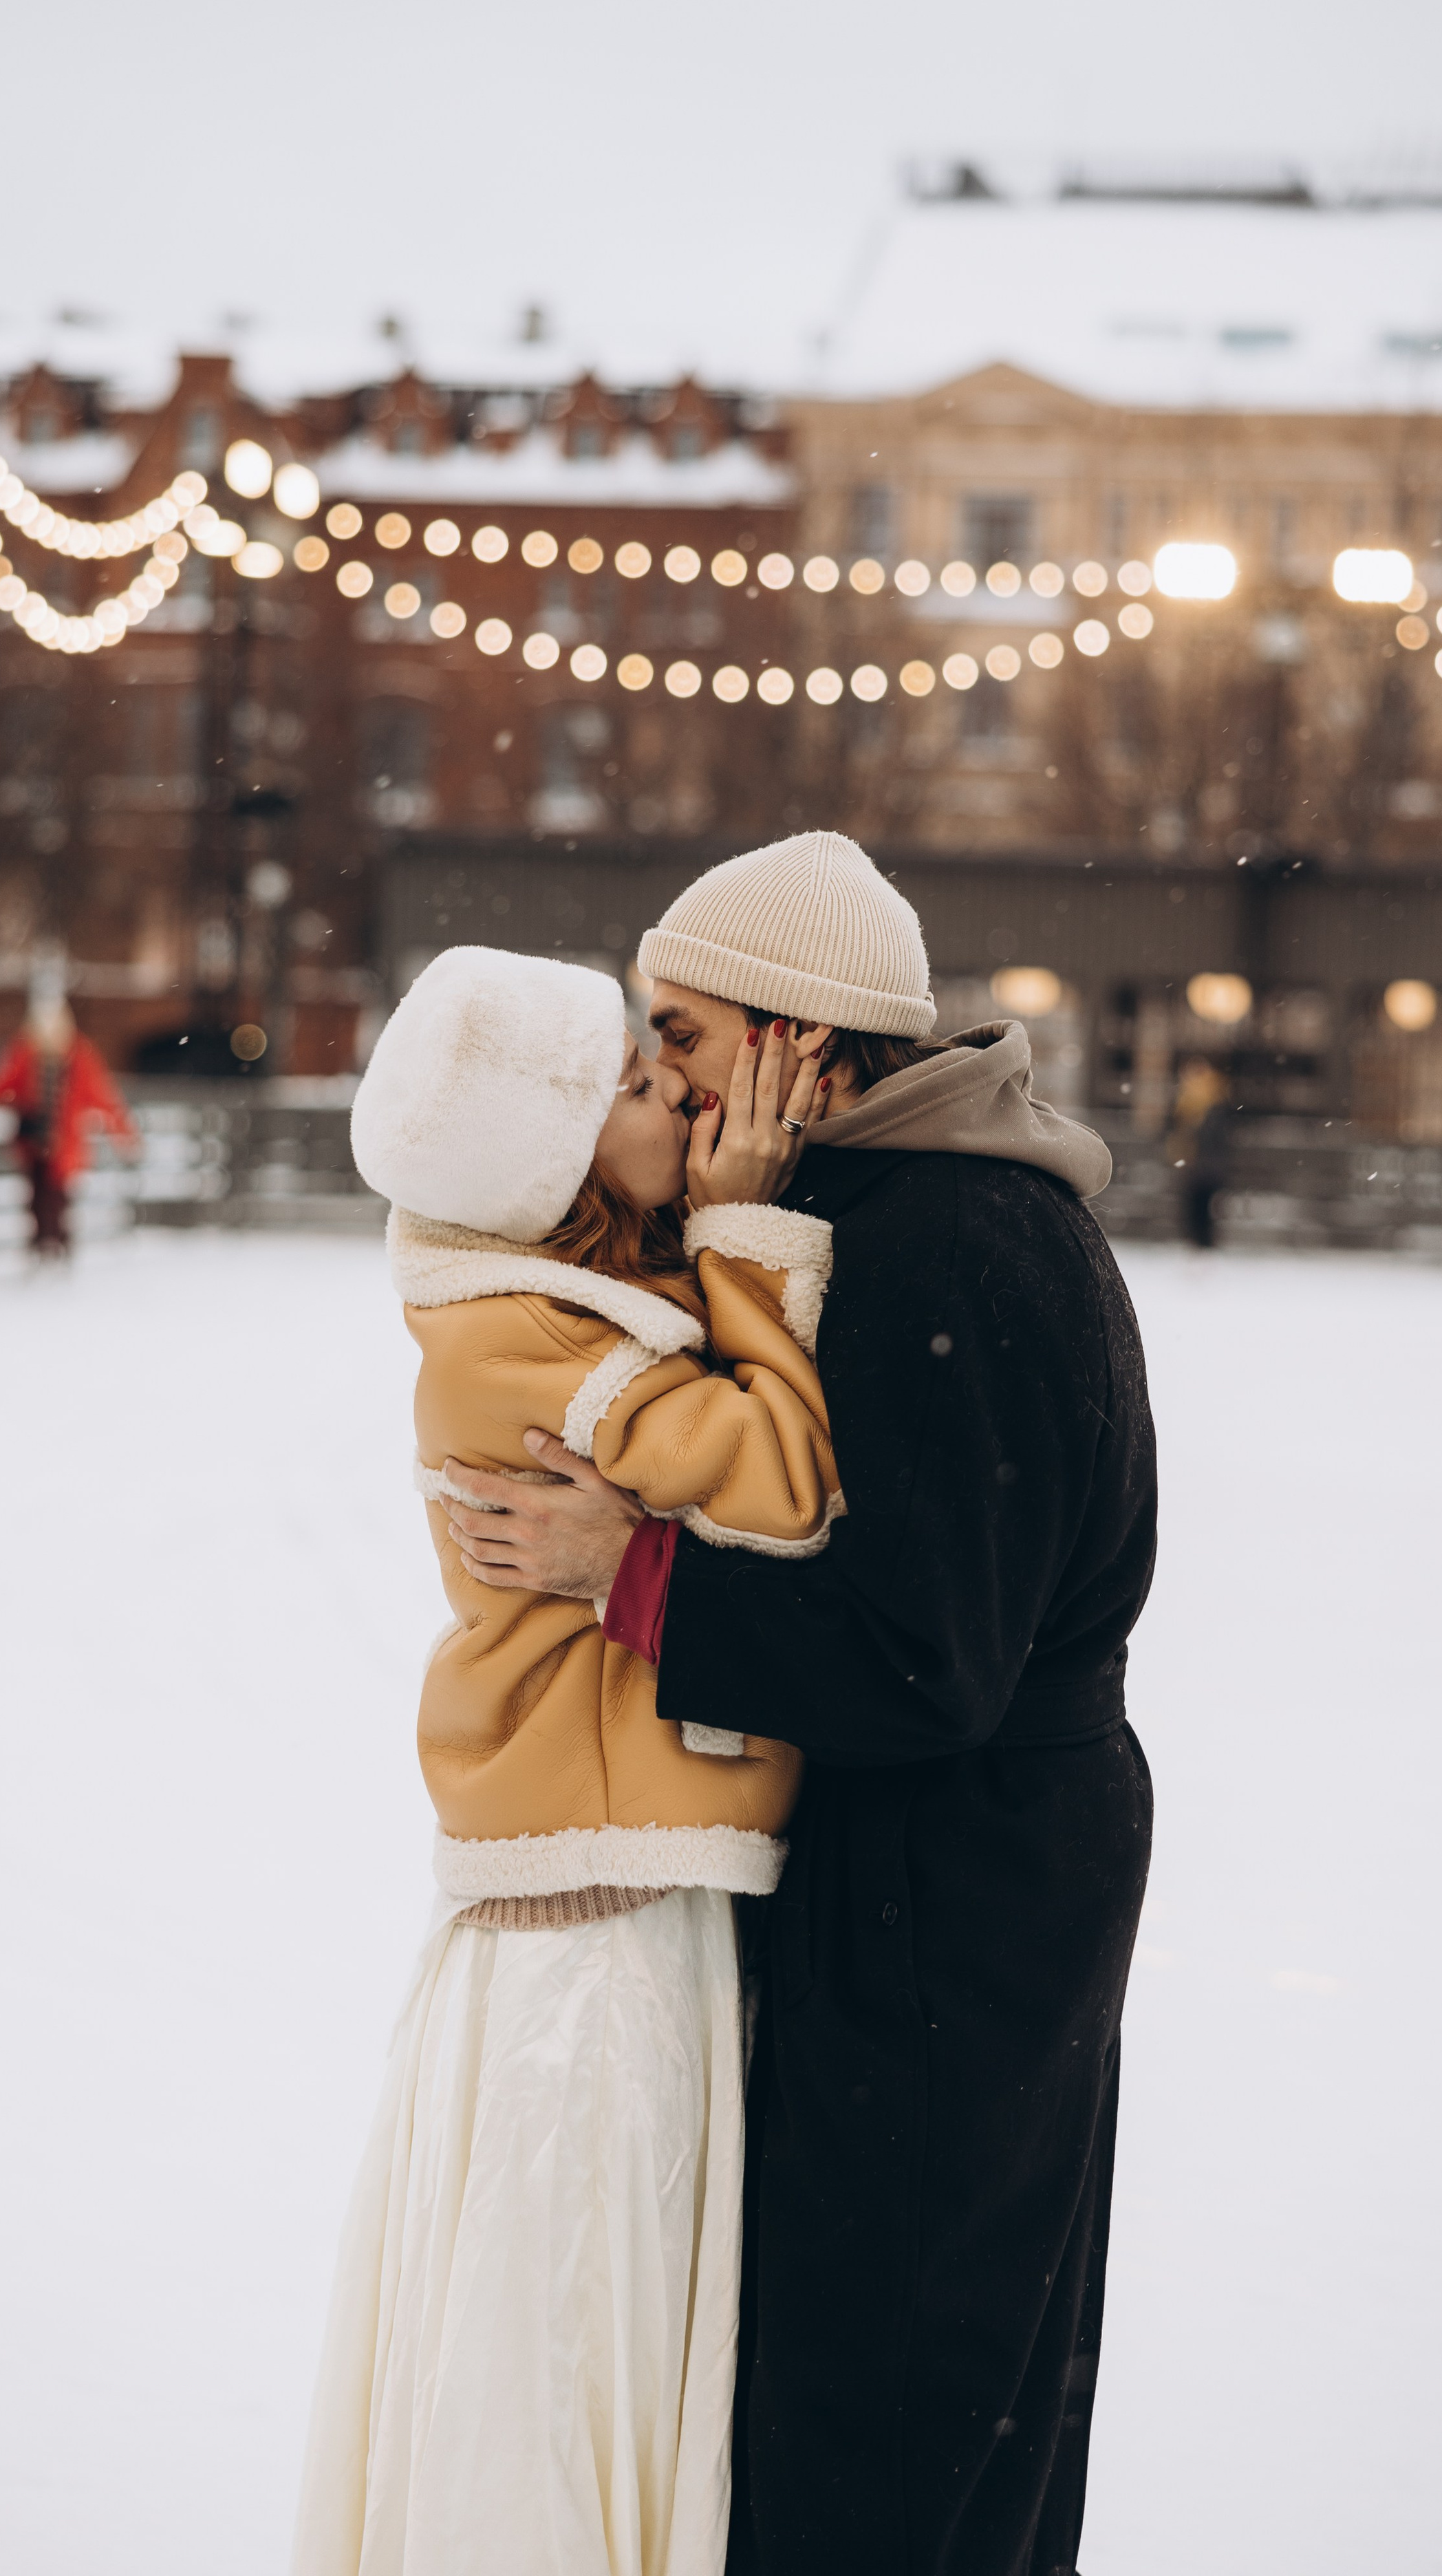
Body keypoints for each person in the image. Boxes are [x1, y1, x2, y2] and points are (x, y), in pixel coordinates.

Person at [440, 832, 1159, 2576]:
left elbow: (925, 1659)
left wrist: (627, 1570)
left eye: (681, 1032)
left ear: (800, 1042)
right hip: (943, 1864)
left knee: (890, 2389)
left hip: (955, 1885)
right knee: (910, 2377)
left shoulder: (955, 1239)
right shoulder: (900, 1206)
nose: (659, 1069)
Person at [290, 944, 849, 2576]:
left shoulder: (564, 1300)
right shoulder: (533, 1345)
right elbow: (780, 1477)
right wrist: (747, 1238)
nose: (678, 1092)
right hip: (595, 1919)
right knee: (563, 2329)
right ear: (545, 1163)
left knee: (600, 2316)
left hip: (620, 1870)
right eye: (628, 1083)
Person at [0, 994, 139, 1257]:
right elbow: (6, 1086)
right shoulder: (25, 1052)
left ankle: (55, 1247)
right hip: (34, 1142)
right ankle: (45, 1246)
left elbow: (102, 1096)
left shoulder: (79, 1056)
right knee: (38, 1198)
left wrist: (124, 1133)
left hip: (62, 1142)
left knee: (56, 1196)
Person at [1168, 1055, 1233, 1249]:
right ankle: (1198, 1241)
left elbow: (1212, 1137)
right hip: (1197, 1164)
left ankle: (1202, 1241)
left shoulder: (1211, 1102)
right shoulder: (1189, 1101)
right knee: (1197, 1206)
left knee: (1202, 1206)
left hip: (1203, 1165)